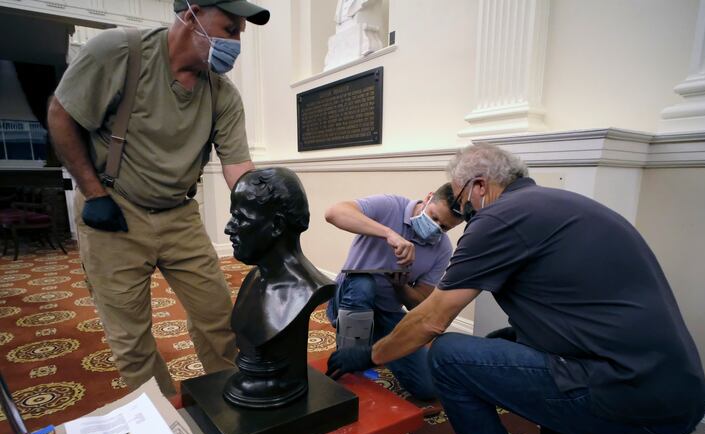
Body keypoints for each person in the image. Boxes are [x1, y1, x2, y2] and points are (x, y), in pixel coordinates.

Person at [353, 143, 705, 434]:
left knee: (448, 357)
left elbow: (431, 319)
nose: (463, 211)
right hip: (673, 394)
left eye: (461, 197)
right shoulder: (563, 204)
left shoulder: (497, 218)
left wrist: (371, 355)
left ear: (479, 186)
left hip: (615, 385)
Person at [47, 0, 270, 396]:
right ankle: (165, 420)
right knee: (131, 339)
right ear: (192, 13)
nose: (236, 44)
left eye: (239, 35)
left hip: (180, 214)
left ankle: (231, 401)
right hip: (114, 210)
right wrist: (92, 192)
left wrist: (268, 211)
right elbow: (61, 116)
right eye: (230, 29)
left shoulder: (223, 95)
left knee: (218, 318)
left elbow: (238, 169)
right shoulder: (118, 52)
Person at [324, 183, 463, 401]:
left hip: (387, 312)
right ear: (428, 198)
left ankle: (371, 344)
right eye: (434, 218)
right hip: (348, 297)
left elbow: (420, 304)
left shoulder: (443, 249)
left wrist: (401, 287)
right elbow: (334, 213)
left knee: (428, 388)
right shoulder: (391, 206)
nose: (437, 228)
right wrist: (389, 234)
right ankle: (349, 362)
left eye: (444, 227)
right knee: (364, 283)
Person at [223, 167, 335, 408]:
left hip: (282, 390)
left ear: (276, 225)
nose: (228, 228)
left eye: (240, 217)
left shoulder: (307, 290)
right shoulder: (254, 278)